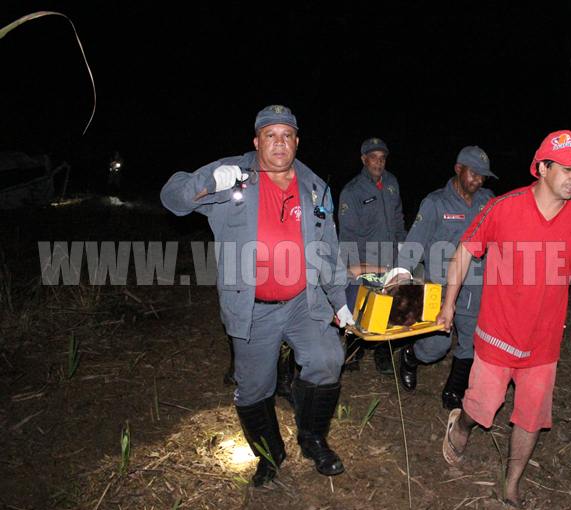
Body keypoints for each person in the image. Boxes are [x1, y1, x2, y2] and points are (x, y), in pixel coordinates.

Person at [160, 104, 354, 486]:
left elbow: (328, 251)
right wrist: (208, 181)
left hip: (304, 302)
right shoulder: (232, 175)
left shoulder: (316, 187)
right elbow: (173, 198)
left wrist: (341, 301)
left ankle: (313, 439)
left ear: (297, 142)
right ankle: (270, 455)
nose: (279, 143)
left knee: (328, 358)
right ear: (256, 141)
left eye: (287, 135)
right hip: (252, 308)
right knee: (253, 388)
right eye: (270, 135)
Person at [437, 130, 571, 510]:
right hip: (496, 334)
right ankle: (461, 425)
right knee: (482, 408)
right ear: (542, 168)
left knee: (531, 417)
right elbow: (464, 252)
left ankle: (511, 486)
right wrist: (448, 304)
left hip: (543, 343)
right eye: (567, 169)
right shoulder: (504, 208)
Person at [393, 146, 497, 409]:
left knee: (471, 341)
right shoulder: (435, 203)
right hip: (439, 288)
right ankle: (410, 356)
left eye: (483, 176)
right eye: (473, 173)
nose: (478, 180)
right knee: (435, 348)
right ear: (458, 169)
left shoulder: (488, 201)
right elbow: (414, 245)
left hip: (474, 286)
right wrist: (398, 279)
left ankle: (454, 390)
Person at [338, 138, 406, 373]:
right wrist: (353, 269)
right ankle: (353, 351)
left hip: (390, 256)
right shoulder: (352, 191)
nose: (378, 162)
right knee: (362, 307)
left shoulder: (392, 183)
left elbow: (398, 217)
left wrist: (402, 246)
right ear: (363, 159)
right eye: (373, 158)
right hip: (365, 260)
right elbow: (347, 234)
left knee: (389, 304)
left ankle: (383, 353)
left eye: (382, 158)